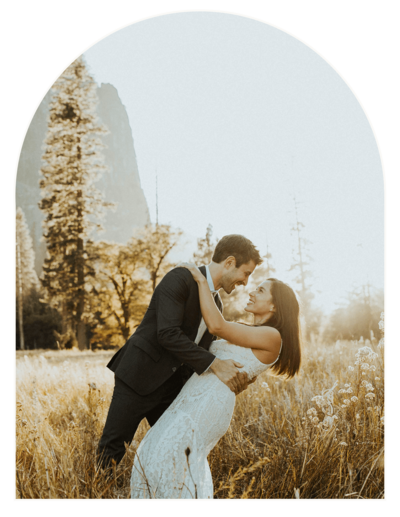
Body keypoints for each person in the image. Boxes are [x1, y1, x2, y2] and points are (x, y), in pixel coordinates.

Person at [130, 263, 302, 499]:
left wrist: (202, 281)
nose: (252, 291)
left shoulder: (272, 336)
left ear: (274, 305)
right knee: (152, 454)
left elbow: (217, 325)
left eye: (261, 290)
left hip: (209, 404)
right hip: (191, 398)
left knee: (171, 457)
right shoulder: (249, 330)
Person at [97, 234, 263, 473]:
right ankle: (99, 491)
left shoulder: (216, 306)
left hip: (171, 388)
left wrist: (245, 368)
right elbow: (168, 334)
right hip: (138, 375)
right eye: (245, 273)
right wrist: (216, 365)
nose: (245, 282)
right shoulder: (180, 278)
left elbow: (205, 348)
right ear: (229, 262)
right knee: (113, 448)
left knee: (177, 448)